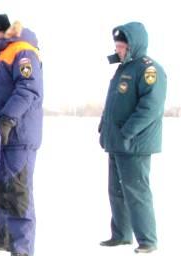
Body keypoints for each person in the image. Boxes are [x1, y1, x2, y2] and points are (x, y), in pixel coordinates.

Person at [0, 12, 43, 256]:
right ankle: (4, 236)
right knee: (2, 187)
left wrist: (7, 120)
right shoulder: (1, 55)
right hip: (2, 134)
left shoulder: (22, 51)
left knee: (18, 191)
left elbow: (28, 90)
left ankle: (22, 248)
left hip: (19, 135)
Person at [98, 21, 165, 254]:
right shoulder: (123, 69)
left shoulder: (149, 70)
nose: (118, 50)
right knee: (116, 191)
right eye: (117, 46)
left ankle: (147, 240)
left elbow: (151, 107)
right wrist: (103, 128)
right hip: (117, 143)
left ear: (133, 46)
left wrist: (127, 132)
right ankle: (121, 235)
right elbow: (114, 104)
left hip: (135, 144)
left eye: (122, 47)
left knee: (137, 193)